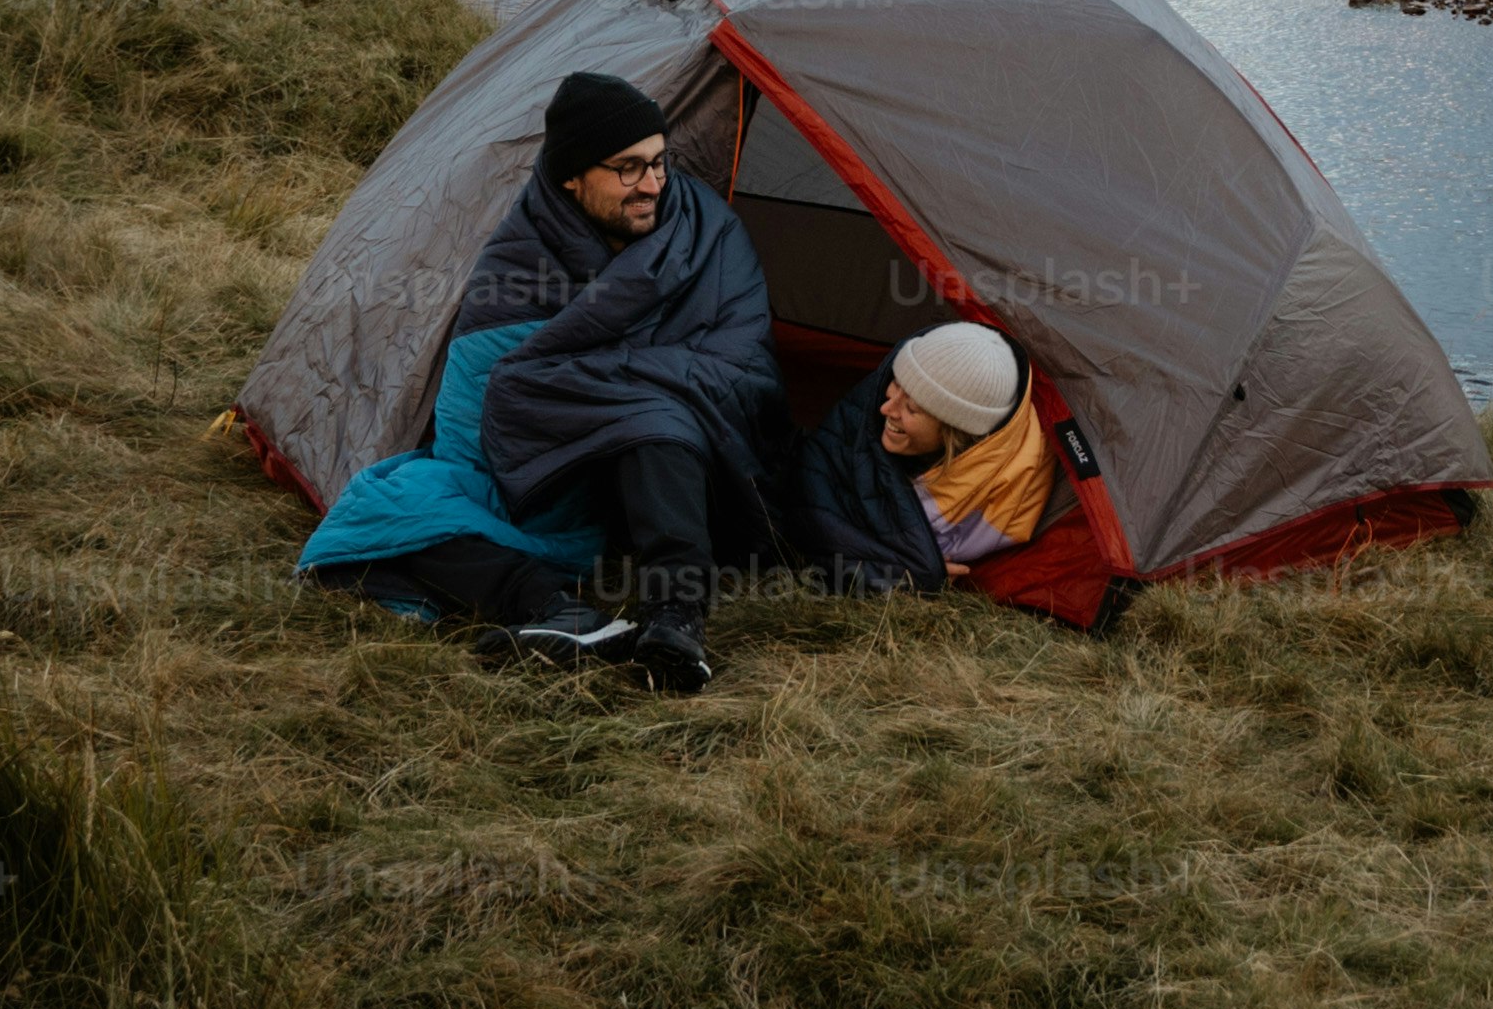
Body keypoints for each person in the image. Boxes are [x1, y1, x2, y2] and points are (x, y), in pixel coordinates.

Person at [410, 70, 784, 690]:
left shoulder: (705, 231)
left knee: (654, 421)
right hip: (551, 468)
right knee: (394, 506)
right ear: (571, 177)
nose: (653, 186)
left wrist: (613, 386)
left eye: (660, 163)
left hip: (678, 468)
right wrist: (586, 399)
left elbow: (738, 364)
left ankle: (676, 614)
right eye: (628, 168)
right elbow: (480, 401)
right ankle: (561, 614)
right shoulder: (520, 257)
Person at [784, 319, 1057, 596]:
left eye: (912, 409)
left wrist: (912, 569)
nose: (886, 407)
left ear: (955, 432)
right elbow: (812, 491)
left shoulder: (1008, 485)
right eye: (896, 383)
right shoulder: (878, 400)